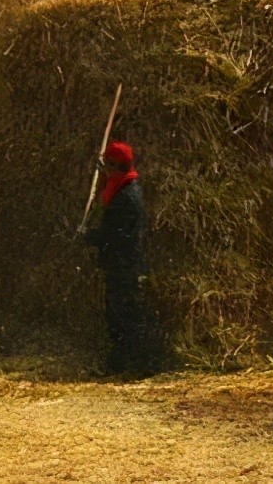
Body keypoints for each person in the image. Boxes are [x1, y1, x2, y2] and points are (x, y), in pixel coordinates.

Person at [82, 141, 162, 376]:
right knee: (120, 315)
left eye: (108, 166)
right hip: (121, 264)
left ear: (117, 166)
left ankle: (134, 366)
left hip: (125, 266)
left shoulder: (126, 197)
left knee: (124, 317)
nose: (105, 171)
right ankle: (126, 365)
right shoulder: (123, 190)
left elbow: (116, 235)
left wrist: (90, 237)